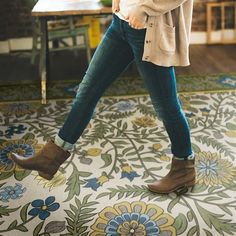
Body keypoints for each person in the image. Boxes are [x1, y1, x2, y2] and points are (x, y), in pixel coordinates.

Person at [11, 0, 195, 194]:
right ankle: (50, 157)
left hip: (148, 29)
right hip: (120, 24)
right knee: (87, 91)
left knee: (166, 106)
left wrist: (143, 8)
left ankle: (184, 168)